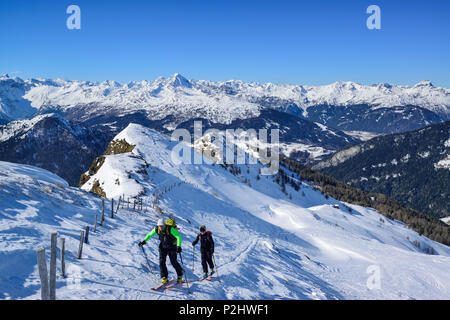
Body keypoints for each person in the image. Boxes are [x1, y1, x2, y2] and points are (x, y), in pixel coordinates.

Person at [139, 218, 183, 284]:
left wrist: (179, 246)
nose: (161, 227)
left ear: (165, 225)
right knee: (161, 262)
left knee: (173, 262)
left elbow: (178, 237)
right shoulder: (157, 229)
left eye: (162, 226)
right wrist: (144, 241)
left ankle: (180, 275)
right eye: (159, 226)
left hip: (172, 247)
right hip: (163, 246)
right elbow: (149, 235)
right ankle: (164, 277)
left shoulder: (170, 229)